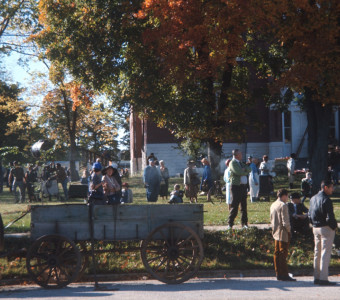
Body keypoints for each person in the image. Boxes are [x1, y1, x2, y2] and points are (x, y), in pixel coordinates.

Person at [308, 180, 338, 286]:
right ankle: (323, 278)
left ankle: (316, 277)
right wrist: (334, 227)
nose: (333, 189)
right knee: (325, 253)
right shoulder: (326, 199)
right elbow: (330, 217)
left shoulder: (313, 198)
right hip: (326, 228)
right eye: (331, 187)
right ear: (325, 187)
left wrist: (313, 224)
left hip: (315, 227)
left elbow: (309, 214)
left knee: (317, 252)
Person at [270, 188, 296, 281]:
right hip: (283, 232)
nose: (287, 198)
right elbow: (285, 222)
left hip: (275, 231)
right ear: (284, 195)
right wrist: (289, 231)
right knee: (283, 253)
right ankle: (284, 274)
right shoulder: (283, 205)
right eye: (287, 196)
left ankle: (278, 273)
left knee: (276, 253)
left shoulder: (273, 205)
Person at [227, 149, 251, 229]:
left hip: (243, 187)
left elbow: (249, 169)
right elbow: (238, 172)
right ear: (236, 155)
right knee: (235, 205)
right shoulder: (232, 163)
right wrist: (244, 171)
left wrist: (244, 170)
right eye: (240, 154)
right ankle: (230, 223)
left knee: (244, 206)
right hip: (236, 186)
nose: (241, 155)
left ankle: (244, 224)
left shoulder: (240, 163)